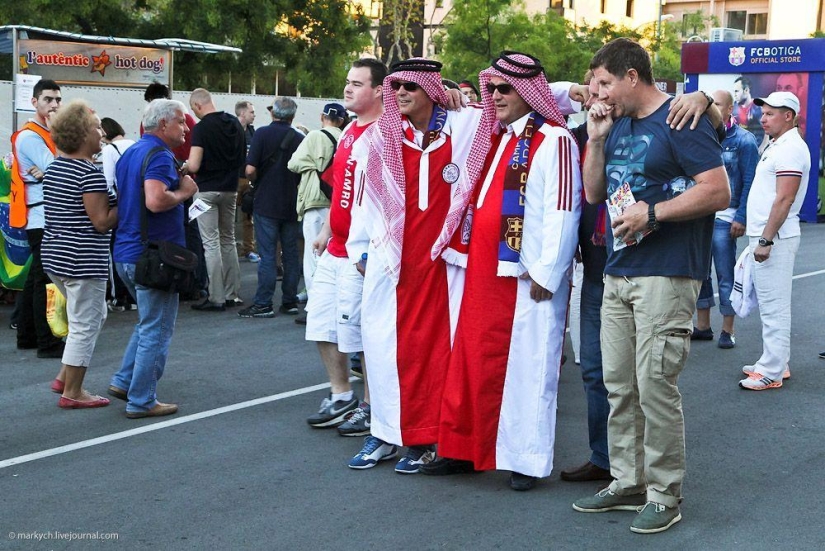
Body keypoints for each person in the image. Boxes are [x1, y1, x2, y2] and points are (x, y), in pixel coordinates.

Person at [571, 38, 729, 534]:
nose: (594, 93)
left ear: (631, 77)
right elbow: (595, 193)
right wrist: (596, 139)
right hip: (618, 270)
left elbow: (718, 189)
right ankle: (628, 480)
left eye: (603, 83)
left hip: (667, 270)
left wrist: (653, 212)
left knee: (655, 386)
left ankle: (665, 493)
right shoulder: (613, 125)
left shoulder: (681, 118)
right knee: (619, 385)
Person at [423, 52, 582, 491]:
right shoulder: (495, 135)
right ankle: (461, 449)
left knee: (528, 368)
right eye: (491, 88)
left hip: (526, 277)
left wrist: (547, 274)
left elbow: (563, 212)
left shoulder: (554, 140)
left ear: (530, 94)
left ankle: (525, 459)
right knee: (471, 361)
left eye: (505, 89)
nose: (495, 96)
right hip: (482, 271)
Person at [345, 58, 490, 473]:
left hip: (446, 266)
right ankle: (386, 434)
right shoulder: (378, 138)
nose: (402, 92)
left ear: (432, 87)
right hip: (393, 265)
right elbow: (362, 203)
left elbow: (519, 103)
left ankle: (430, 438)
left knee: (441, 352)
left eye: (412, 84)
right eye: (396, 85)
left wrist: (570, 92)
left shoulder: (465, 125)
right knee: (385, 350)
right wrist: (360, 252)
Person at [304, 59, 387, 437]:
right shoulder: (350, 130)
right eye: (347, 82)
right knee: (322, 324)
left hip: (362, 254)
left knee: (362, 334)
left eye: (357, 83)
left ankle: (372, 406)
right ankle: (341, 397)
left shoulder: (387, 133)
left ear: (379, 89)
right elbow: (340, 189)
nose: (348, 89)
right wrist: (324, 229)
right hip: (335, 247)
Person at [110, 99, 199, 419]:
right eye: (181, 122)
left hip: (127, 253)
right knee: (157, 329)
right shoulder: (160, 156)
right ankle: (142, 398)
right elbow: (156, 200)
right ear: (163, 125)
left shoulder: (130, 152)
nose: (186, 128)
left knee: (148, 324)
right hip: (153, 257)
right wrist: (185, 192)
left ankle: (124, 381)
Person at [42, 100, 118, 409]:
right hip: (83, 260)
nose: (101, 132)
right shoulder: (89, 174)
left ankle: (64, 375)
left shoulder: (55, 168)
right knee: (85, 325)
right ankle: (73, 392)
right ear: (83, 134)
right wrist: (125, 202)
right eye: (97, 127)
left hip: (55, 256)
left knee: (93, 314)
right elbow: (101, 222)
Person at [739, 91, 810, 390]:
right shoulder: (778, 144)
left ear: (788, 116)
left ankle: (771, 372)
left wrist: (766, 240)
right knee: (771, 304)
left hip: (775, 238)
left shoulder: (791, 147)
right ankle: (776, 360)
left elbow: (785, 198)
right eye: (763, 113)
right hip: (768, 235)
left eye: (769, 114)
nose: (763, 119)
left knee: (774, 306)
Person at [692, 90, 759, 348]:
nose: (712, 108)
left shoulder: (744, 140)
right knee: (699, 273)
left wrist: (741, 217)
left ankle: (728, 330)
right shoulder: (701, 134)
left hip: (726, 217)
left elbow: (750, 181)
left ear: (730, 109)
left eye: (717, 104)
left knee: (725, 274)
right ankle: (703, 326)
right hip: (700, 215)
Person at [11, 78, 66, 358]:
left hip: (43, 213)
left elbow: (50, 170)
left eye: (57, 99)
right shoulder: (31, 136)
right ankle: (47, 341)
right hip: (41, 215)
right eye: (48, 99)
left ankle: (29, 335)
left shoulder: (40, 134)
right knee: (45, 279)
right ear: (35, 102)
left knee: (37, 278)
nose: (54, 105)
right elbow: (57, 168)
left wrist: (46, 173)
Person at [238, 97, 304, 318]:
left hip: (266, 201)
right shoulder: (299, 138)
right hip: (292, 203)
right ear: (292, 116)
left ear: (273, 113)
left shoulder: (262, 134)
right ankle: (290, 301)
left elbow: (249, 170)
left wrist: (256, 180)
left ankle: (264, 303)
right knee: (291, 255)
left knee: (267, 255)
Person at [186, 88, 246, 311]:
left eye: (194, 109)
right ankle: (232, 293)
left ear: (198, 105)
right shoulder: (234, 123)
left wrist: (183, 167)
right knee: (228, 240)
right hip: (230, 189)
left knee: (210, 243)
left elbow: (194, 165)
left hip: (206, 191)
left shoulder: (201, 128)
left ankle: (216, 296)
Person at [287, 102, 348, 325]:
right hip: (337, 200)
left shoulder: (314, 136)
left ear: (323, 117)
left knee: (314, 256)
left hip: (315, 199)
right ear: (342, 120)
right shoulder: (347, 136)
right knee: (335, 255)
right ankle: (335, 304)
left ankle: (316, 308)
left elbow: (293, 164)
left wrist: (313, 164)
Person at [235, 100, 259, 263]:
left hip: (248, 178)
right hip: (233, 179)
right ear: (242, 113)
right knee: (227, 217)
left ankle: (248, 249)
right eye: (251, 112)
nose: (254, 115)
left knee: (248, 217)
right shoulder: (231, 130)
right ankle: (227, 248)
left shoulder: (252, 131)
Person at [733, 76, 765, 145]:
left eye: (737, 91)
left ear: (746, 90)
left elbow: (767, 131)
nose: (734, 95)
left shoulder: (760, 108)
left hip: (755, 148)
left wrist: (762, 147)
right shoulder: (733, 108)